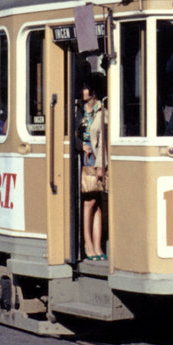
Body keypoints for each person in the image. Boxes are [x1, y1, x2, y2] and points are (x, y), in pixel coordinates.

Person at [79, 82, 107, 260]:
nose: (82, 91)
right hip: (83, 158)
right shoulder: (78, 110)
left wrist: (101, 163)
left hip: (96, 158)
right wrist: (80, 145)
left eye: (85, 87)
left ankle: (97, 246)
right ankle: (88, 244)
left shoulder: (102, 111)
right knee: (89, 201)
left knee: (96, 202)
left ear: (93, 91)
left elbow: (104, 138)